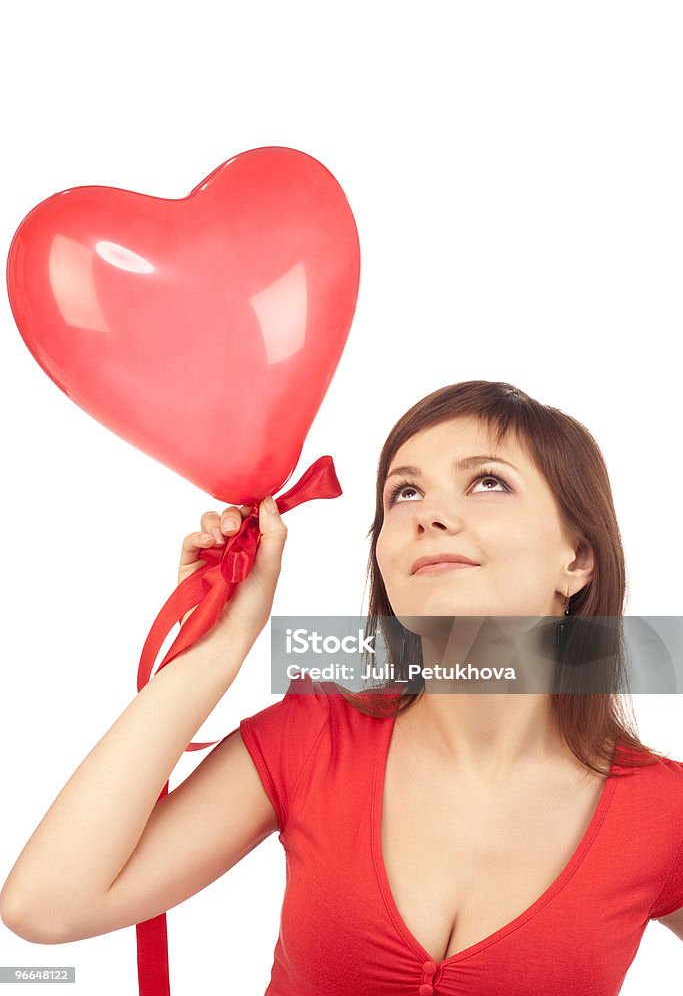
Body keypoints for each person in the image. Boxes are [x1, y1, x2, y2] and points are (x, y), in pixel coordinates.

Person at [1, 380, 682, 996]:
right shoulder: (311, 737)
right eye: (404, 493)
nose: (429, 514)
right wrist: (219, 648)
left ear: (578, 558)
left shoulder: (664, 812)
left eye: (486, 483)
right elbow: (47, 907)